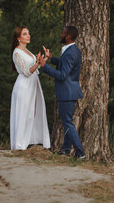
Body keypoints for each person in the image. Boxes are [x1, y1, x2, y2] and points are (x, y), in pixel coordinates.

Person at [37, 26, 85, 159]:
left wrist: (44, 65)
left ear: (68, 36)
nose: (61, 35)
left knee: (68, 123)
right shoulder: (72, 50)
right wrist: (51, 59)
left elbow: (63, 75)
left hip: (67, 93)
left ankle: (80, 154)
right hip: (69, 92)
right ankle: (65, 150)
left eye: (63, 33)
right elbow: (65, 65)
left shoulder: (70, 52)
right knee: (67, 122)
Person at [10, 26, 50, 150]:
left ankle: (30, 140)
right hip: (24, 85)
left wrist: (46, 58)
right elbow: (26, 72)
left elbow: (35, 67)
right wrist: (38, 63)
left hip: (33, 84)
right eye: (25, 34)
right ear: (18, 38)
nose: (28, 36)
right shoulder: (17, 52)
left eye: (29, 33)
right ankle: (19, 144)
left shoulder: (27, 51)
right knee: (23, 113)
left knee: (32, 113)